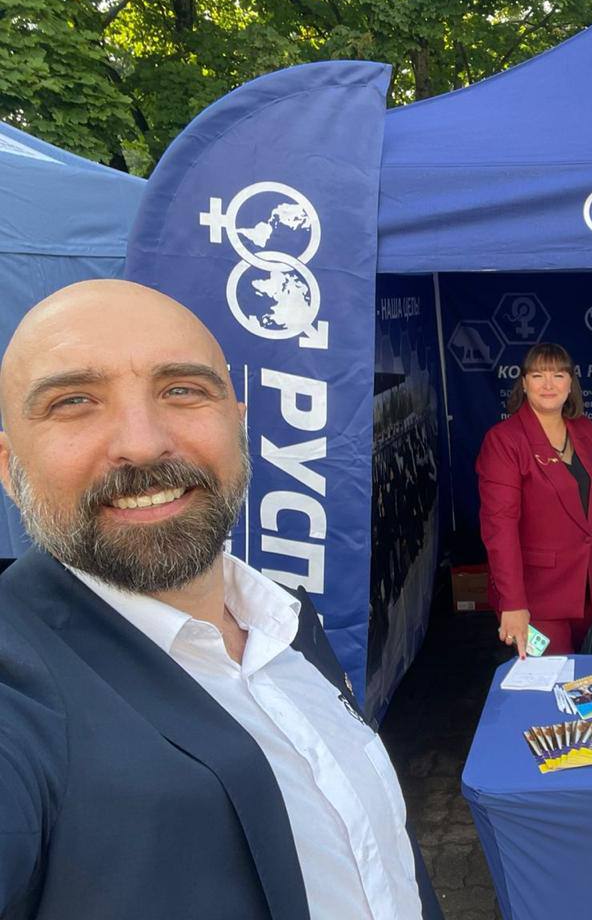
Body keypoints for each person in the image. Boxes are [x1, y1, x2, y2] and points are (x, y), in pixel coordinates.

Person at [0, 280, 441, 920]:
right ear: (10, 468)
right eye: (74, 402)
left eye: (182, 390)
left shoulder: (287, 619)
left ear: (239, 423)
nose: (143, 442)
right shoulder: (17, 688)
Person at [476, 343, 592, 657]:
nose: (549, 384)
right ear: (523, 383)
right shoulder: (505, 440)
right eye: (538, 375)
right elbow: (499, 527)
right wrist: (513, 603)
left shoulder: (585, 430)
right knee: (551, 680)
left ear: (571, 383)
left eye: (558, 375)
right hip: (537, 597)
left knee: (584, 678)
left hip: (587, 588)